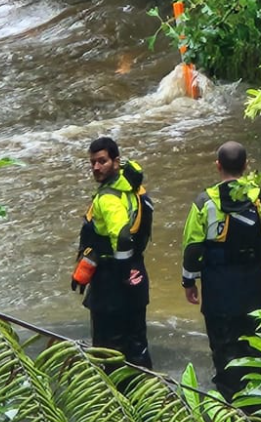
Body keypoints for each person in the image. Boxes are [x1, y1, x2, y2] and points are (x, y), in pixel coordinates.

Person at [181, 141, 261, 402]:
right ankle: (259, 404)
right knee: (255, 347)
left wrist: (189, 282)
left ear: (218, 166)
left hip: (218, 291)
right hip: (254, 289)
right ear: (246, 165)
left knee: (224, 349)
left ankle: (229, 401)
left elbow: (192, 248)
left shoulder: (205, 202)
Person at [71, 136, 152, 368]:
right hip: (138, 276)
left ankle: (115, 398)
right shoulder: (134, 189)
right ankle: (147, 396)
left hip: (112, 285)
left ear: (116, 162)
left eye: (102, 161)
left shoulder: (107, 199)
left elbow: (123, 236)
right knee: (138, 344)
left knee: (108, 350)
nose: (96, 167)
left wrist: (122, 271)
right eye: (93, 162)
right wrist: (132, 272)